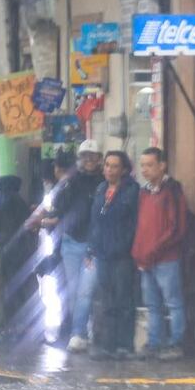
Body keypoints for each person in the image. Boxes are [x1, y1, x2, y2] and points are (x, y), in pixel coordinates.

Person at [131, 147, 188, 361]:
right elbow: (140, 226)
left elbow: (175, 228)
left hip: (166, 258)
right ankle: (155, 343)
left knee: (173, 302)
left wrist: (153, 251)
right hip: (145, 259)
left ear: (162, 165)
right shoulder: (144, 192)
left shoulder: (172, 190)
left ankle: (176, 343)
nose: (145, 169)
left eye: (149, 165)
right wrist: (139, 253)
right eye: (142, 165)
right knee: (152, 304)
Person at [52, 140, 105, 352]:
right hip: (71, 243)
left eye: (93, 156)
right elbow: (59, 206)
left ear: (99, 158)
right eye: (85, 156)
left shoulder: (104, 182)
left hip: (94, 245)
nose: (89, 160)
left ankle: (78, 333)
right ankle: (82, 327)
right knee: (74, 292)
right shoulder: (71, 181)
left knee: (86, 290)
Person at [87, 151, 140, 360]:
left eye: (114, 166)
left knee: (124, 300)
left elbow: (132, 223)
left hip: (122, 254)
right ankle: (107, 344)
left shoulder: (131, 190)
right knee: (106, 300)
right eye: (107, 165)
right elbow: (95, 222)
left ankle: (124, 345)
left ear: (124, 169)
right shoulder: (101, 189)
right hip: (103, 253)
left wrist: (124, 245)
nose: (109, 169)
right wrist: (91, 248)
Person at [0, 175, 37, 340]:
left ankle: (10, 327)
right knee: (23, 287)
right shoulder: (21, 202)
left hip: (5, 251)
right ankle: (26, 325)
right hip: (22, 251)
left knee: (7, 289)